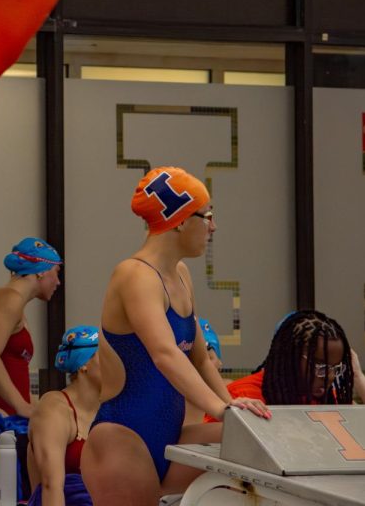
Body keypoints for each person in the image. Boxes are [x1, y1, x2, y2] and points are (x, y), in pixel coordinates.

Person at [81, 167, 269, 506]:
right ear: (181, 220)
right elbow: (165, 354)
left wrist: (230, 407)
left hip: (169, 433)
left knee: (260, 441)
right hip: (122, 438)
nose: (213, 226)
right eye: (207, 215)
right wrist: (222, 410)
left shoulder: (180, 274)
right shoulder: (134, 274)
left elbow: (198, 357)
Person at [208, 310, 365, 414]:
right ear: (290, 357)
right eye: (322, 367)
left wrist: (357, 375)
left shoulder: (328, 399)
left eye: (336, 368)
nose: (330, 376)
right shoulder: (243, 396)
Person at [0, 238, 63, 417]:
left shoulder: (14, 304)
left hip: (8, 414)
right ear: (41, 272)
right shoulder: (7, 299)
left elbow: (16, 372)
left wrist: (37, 409)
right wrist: (22, 407)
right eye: (56, 272)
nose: (58, 282)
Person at [28, 326, 102, 506]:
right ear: (83, 364)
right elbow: (51, 486)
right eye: (108, 356)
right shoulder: (54, 410)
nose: (118, 363)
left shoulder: (111, 408)